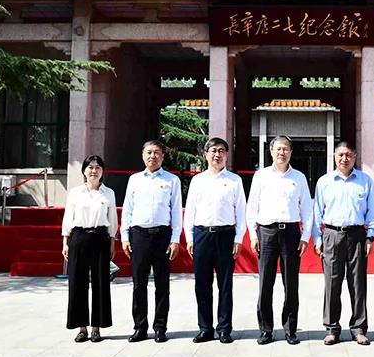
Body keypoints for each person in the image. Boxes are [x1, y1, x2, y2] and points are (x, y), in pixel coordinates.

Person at [246, 135, 313, 345]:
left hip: (291, 233)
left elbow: (307, 209)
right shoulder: (261, 176)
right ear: (271, 151)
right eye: (278, 149)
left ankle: (290, 329)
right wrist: (253, 234)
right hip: (266, 232)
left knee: (291, 284)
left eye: (285, 149)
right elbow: (252, 207)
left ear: (291, 152)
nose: (282, 152)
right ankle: (266, 329)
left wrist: (305, 236)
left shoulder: (299, 177)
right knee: (265, 283)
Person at [312, 141, 374, 346]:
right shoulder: (324, 181)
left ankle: (358, 328)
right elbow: (317, 212)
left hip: (357, 235)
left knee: (358, 284)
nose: (344, 159)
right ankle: (332, 328)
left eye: (348, 155)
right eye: (340, 155)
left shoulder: (365, 181)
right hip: (332, 234)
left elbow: (371, 212)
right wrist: (318, 238)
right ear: (334, 156)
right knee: (332, 283)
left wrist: (370, 236)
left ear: (355, 157)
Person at [183, 138, 246, 345]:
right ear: (206, 154)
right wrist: (190, 238)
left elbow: (241, 212)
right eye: (213, 151)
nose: (217, 155)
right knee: (202, 284)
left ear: (226, 155)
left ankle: (224, 329)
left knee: (225, 285)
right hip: (201, 235)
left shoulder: (235, 181)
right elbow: (190, 211)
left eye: (221, 151)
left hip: (226, 236)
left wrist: (238, 239)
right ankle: (205, 328)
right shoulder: (197, 180)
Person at [121, 140, 183, 343]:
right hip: (139, 235)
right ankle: (140, 327)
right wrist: (124, 236)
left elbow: (176, 212)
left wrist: (175, 239)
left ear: (163, 156)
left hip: (162, 236)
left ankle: (160, 327)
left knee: (162, 284)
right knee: (139, 284)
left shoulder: (172, 180)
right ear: (142, 155)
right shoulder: (134, 180)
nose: (152, 156)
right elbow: (127, 210)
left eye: (157, 152)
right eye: (148, 152)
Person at [61, 154, 118, 343]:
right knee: (78, 283)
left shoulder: (108, 193)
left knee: (101, 283)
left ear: (102, 171)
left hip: (100, 238)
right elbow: (68, 217)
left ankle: (96, 328)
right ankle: (82, 328)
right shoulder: (75, 193)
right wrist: (65, 241)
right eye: (90, 167)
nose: (94, 171)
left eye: (98, 168)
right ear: (84, 170)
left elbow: (112, 220)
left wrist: (112, 242)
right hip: (79, 237)